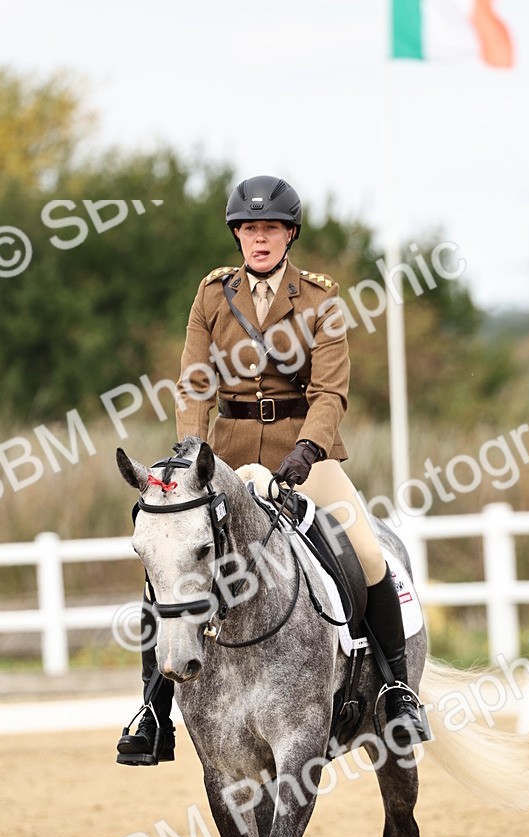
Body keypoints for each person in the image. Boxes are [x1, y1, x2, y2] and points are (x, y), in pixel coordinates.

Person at [116, 174, 424, 766]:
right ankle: (153, 710)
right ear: (237, 235)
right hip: (225, 455)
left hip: (302, 451)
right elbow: (195, 383)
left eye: (271, 229)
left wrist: (307, 450)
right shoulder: (212, 296)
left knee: (367, 554)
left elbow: (330, 392)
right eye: (250, 229)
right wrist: (190, 452)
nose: (260, 239)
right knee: (171, 561)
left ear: (290, 235)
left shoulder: (319, 300)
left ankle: (395, 689)